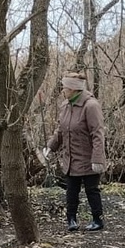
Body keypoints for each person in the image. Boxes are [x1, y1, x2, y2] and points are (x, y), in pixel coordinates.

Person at [44, 72, 107, 231]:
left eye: (65, 88)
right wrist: (50, 147)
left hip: (89, 158)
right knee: (71, 190)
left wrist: (97, 159)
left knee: (92, 190)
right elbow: (61, 131)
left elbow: (98, 134)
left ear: (73, 89)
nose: (63, 90)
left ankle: (97, 220)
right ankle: (71, 219)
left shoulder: (91, 106)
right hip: (70, 158)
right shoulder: (65, 105)